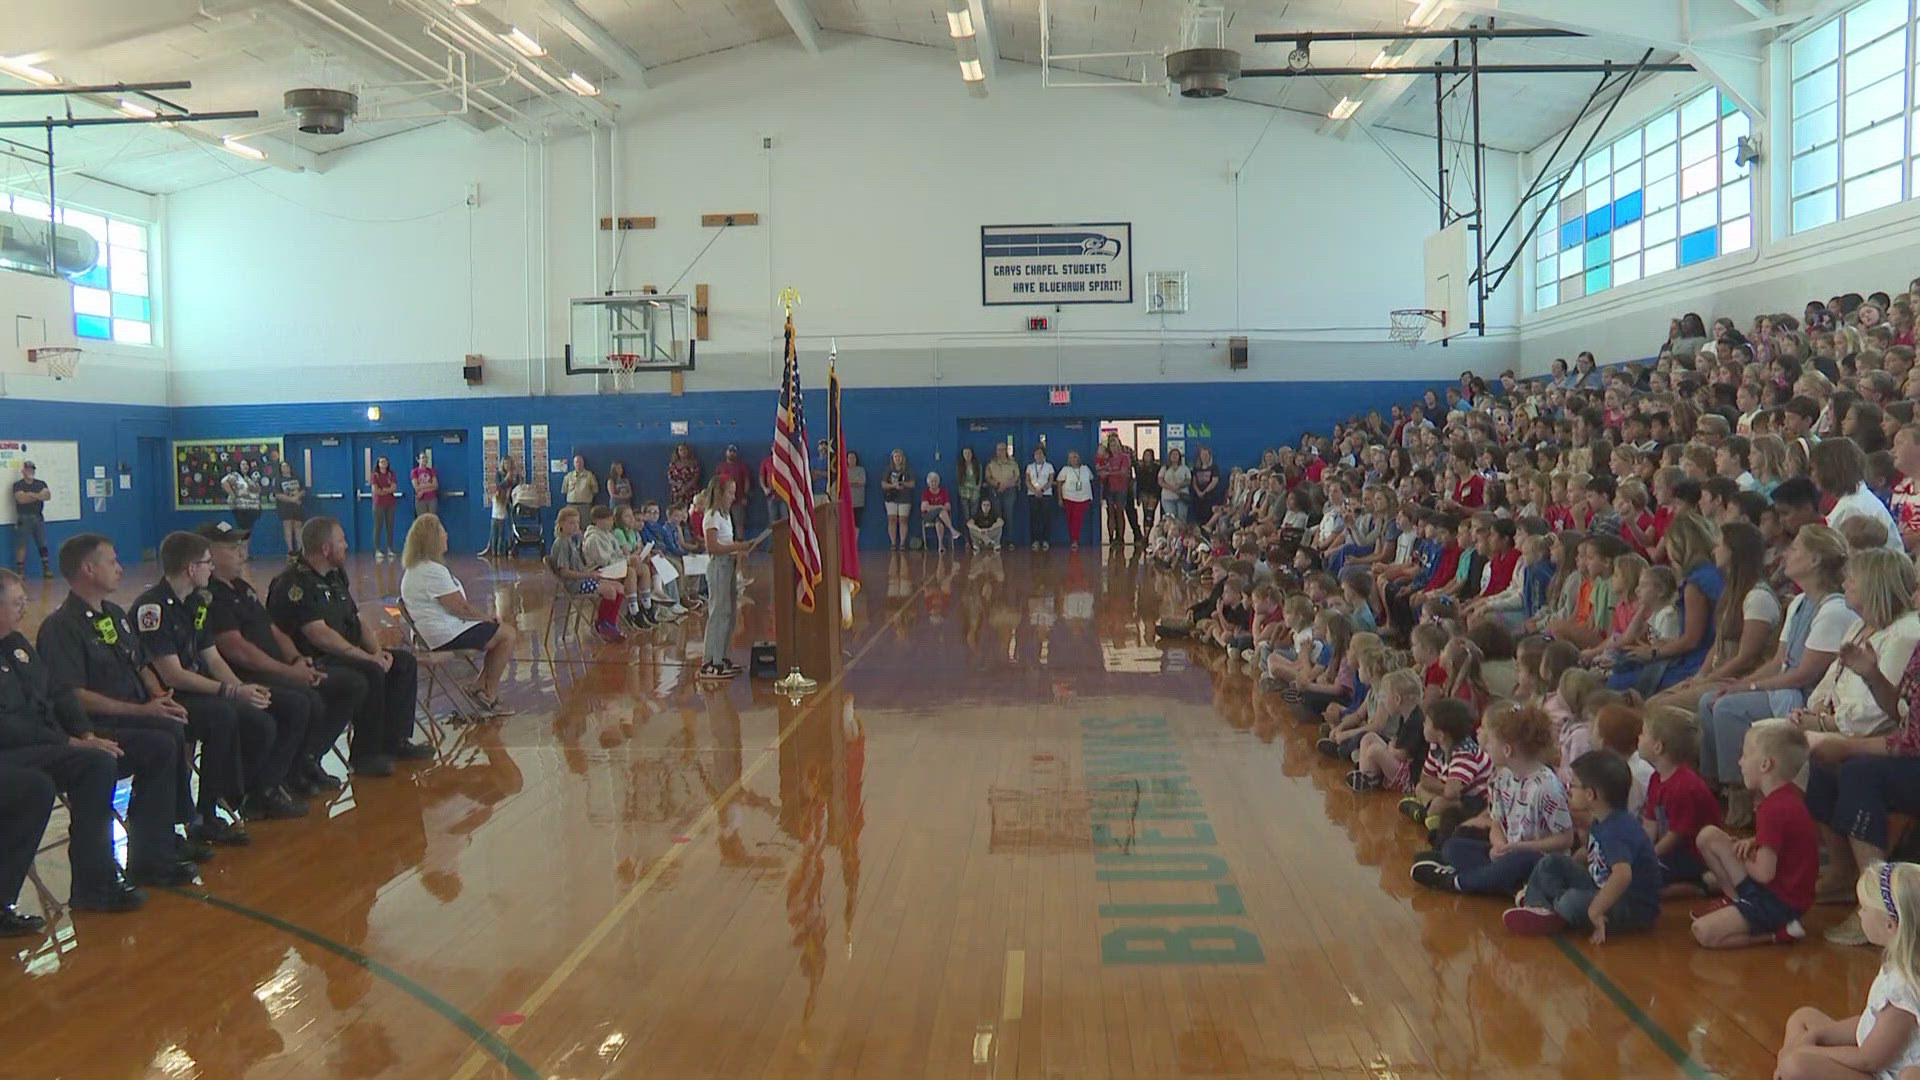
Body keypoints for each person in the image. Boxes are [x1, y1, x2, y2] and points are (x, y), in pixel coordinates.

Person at [37, 533, 247, 847]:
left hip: (136, 711)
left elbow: (141, 664)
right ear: (88, 570)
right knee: (164, 738)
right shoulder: (61, 627)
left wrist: (159, 697)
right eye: (111, 562)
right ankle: (160, 837)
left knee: (180, 723)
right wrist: (143, 710)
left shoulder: (115, 615)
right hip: (100, 725)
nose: (120, 569)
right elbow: (73, 695)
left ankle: (179, 825)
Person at [0, 568, 188, 911]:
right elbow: (8, 727)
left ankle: (126, 869)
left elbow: (58, 695)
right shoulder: (59, 627)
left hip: (43, 744)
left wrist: (84, 733)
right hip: (13, 752)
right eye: (17, 602)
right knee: (58, 778)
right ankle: (29, 896)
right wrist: (70, 743)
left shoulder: (15, 644)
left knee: (133, 751)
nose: (24, 608)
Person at [136, 531, 305, 822]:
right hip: (171, 697)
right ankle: (205, 812)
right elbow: (173, 675)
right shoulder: (153, 608)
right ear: (191, 569)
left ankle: (247, 791)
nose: (211, 568)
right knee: (223, 717)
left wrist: (243, 689)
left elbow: (211, 656)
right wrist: (229, 692)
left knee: (261, 717)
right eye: (206, 563)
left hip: (200, 689)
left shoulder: (195, 603)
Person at [200, 520, 358, 794]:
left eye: (240, 547)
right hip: (246, 676)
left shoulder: (240, 587)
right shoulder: (210, 596)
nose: (241, 553)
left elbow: (272, 628)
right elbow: (237, 650)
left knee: (348, 684)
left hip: (276, 668)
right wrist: (288, 673)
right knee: (303, 701)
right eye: (231, 548)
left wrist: (296, 659)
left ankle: (304, 764)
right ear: (208, 555)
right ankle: (268, 786)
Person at [268, 516, 429, 777]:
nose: (346, 545)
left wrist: (377, 652)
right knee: (369, 672)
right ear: (325, 549)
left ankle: (395, 741)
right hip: (318, 659)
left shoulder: (335, 575)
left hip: (345, 652)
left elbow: (355, 619)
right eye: (341, 541)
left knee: (402, 663)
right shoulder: (295, 583)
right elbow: (319, 635)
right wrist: (367, 659)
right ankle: (366, 754)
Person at [1774, 861, 1920, 1078]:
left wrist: (1812, 1051)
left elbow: (1869, 1059)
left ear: (1890, 925)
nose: (1860, 915)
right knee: (1802, 1017)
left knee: (1796, 1065)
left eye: (1864, 908)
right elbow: (1869, 1022)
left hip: (1881, 1073)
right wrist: (1820, 1035)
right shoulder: (1896, 965)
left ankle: (1785, 1070)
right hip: (1873, 1058)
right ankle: (1784, 1070)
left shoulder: (1904, 990)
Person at [1503, 750, 1663, 942]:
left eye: (1574, 786)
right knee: (1551, 862)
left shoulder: (1617, 829)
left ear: (1590, 794)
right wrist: (1567, 868)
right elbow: (1592, 855)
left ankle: (1554, 909)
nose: (1569, 790)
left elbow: (1622, 875)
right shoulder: (1602, 819)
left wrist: (1596, 910)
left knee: (1571, 901)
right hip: (1602, 887)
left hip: (1631, 906)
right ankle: (1540, 907)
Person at [1688, 719, 1818, 947]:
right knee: (1708, 836)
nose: (1740, 762)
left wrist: (1743, 855)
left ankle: (1779, 933)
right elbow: (1783, 842)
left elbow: (1764, 873)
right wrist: (1752, 842)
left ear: (1765, 765)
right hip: (1778, 891)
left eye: (1745, 755)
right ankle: (1736, 901)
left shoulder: (1774, 808)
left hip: (1779, 902)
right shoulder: (1784, 797)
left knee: (1703, 932)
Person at [400, 514, 517, 714]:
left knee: (498, 633)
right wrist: (486, 618)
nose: (446, 535)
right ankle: (490, 695)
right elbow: (460, 608)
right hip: (443, 634)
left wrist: (486, 622)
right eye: (442, 532)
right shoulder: (430, 571)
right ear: (433, 539)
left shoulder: (416, 569)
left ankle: (480, 686)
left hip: (439, 630)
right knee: (507, 635)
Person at [699, 474, 762, 680]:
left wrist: (743, 550)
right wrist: (739, 546)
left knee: (729, 614)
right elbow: (713, 546)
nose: (733, 497)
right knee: (718, 613)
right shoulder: (712, 516)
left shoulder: (726, 516)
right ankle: (710, 661)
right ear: (719, 492)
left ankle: (722, 657)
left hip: (730, 565)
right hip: (719, 567)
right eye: (730, 492)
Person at [1096, 434, 1139, 546]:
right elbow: (1100, 472)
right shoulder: (1107, 459)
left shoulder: (1125, 457)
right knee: (1110, 513)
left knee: (1120, 512)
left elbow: (1124, 472)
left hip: (1122, 488)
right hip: (1109, 488)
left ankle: (1120, 538)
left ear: (1119, 444)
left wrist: (1108, 472)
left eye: (1115, 444)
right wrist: (1104, 472)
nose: (1113, 447)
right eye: (1111, 445)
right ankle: (1111, 538)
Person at [11, 461, 50, 578]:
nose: (30, 471)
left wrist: (29, 495)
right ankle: (21, 571)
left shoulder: (41, 483)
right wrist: (38, 496)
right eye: (28, 469)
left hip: (38, 516)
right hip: (24, 517)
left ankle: (46, 568)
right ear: (23, 471)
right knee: (22, 544)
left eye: (32, 469)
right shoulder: (18, 485)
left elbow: (47, 496)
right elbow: (20, 499)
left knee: (42, 543)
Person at [1055, 449, 1096, 550]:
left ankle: (1075, 540)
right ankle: (1072, 538)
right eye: (1072, 457)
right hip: (1069, 498)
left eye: (1076, 457)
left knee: (1077, 519)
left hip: (1083, 498)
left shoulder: (1085, 468)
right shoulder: (1065, 469)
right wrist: (1060, 498)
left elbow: (1091, 480)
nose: (1074, 459)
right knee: (1070, 519)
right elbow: (1059, 483)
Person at [483, 455, 519, 558]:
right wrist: (506, 478)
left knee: (510, 525)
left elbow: (516, 486)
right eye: (505, 464)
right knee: (497, 526)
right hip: (501, 500)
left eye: (509, 463)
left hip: (511, 500)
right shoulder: (499, 474)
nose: (507, 466)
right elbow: (499, 485)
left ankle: (510, 548)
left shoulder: (515, 475)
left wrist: (512, 480)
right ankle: (496, 550)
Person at [984, 443, 1020, 536]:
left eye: (1002, 449)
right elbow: (988, 477)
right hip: (995, 490)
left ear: (1006, 451)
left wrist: (1006, 485)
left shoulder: (1012, 463)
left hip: (1009, 490)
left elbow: (1016, 476)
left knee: (1008, 515)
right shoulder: (991, 463)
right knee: (997, 515)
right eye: (998, 450)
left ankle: (1009, 540)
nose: (1000, 452)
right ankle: (998, 540)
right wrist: (998, 484)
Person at [1025, 445, 1056, 551]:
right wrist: (1035, 491)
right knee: (1034, 519)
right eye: (1037, 453)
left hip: (1046, 494)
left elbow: (1051, 480)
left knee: (1046, 518)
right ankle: (1035, 541)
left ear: (1044, 455)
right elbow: (1027, 481)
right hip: (1032, 495)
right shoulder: (1030, 467)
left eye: (1041, 453)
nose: (1039, 455)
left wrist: (1042, 490)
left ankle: (1046, 540)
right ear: (1034, 455)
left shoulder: (1049, 466)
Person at [883, 449, 914, 552]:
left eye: (899, 457)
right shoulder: (888, 469)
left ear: (902, 458)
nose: (897, 459)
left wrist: (903, 484)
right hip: (891, 498)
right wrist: (893, 486)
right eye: (895, 457)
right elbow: (883, 484)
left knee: (903, 520)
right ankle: (893, 542)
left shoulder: (907, 470)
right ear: (892, 458)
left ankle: (902, 543)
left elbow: (912, 484)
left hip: (905, 498)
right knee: (891, 519)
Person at [369, 456, 400, 560]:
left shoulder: (391, 474)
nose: (383, 463)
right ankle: (377, 549)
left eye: (385, 461)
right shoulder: (375, 475)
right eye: (381, 461)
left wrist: (383, 490)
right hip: (378, 504)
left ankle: (390, 549)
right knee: (378, 526)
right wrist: (386, 490)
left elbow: (394, 488)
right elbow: (375, 490)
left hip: (390, 503)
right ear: (378, 463)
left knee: (390, 527)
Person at [274, 460, 307, 556]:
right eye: (283, 467)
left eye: (287, 466)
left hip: (297, 507)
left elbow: (303, 490)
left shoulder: (296, 478)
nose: (285, 468)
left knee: (298, 527)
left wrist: (296, 498)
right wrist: (291, 499)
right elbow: (278, 494)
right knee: (288, 527)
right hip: (285, 507)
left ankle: (300, 549)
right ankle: (290, 550)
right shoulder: (279, 480)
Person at [716, 446, 750, 533]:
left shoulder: (742, 466)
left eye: (733, 451)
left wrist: (745, 496)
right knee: (723, 521)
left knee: (739, 522)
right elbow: (716, 482)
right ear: (726, 453)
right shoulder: (720, 467)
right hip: (723, 500)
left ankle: (739, 541)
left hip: (738, 499)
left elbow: (746, 481)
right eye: (730, 451)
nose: (731, 453)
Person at [223, 460, 262, 534]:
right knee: (241, 532)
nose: (245, 466)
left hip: (251, 509)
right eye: (243, 464)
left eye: (247, 464)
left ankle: (245, 545)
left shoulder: (251, 478)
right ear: (239, 466)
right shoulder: (235, 476)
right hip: (240, 509)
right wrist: (232, 494)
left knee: (248, 532)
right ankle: (240, 545)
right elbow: (224, 482)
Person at [920, 471, 955, 553]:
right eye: (932, 481)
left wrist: (934, 508)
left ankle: (940, 545)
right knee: (941, 510)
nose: (934, 483)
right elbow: (924, 508)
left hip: (941, 517)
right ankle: (952, 529)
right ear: (928, 483)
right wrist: (939, 507)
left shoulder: (943, 491)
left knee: (939, 520)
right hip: (928, 516)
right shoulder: (926, 492)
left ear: (938, 482)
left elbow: (948, 506)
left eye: (935, 481)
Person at [1158, 447, 1191, 525]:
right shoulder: (1164, 468)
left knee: (1182, 518)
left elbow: (1188, 480)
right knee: (1171, 519)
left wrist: (1179, 486)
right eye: (1173, 455)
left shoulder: (1185, 468)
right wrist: (1171, 488)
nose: (1174, 456)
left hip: (1181, 496)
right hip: (1168, 497)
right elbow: (1160, 481)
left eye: (1176, 454)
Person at [667, 444, 701, 512]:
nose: (683, 452)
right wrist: (679, 485)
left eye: (685, 450)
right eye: (680, 450)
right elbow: (670, 478)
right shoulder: (673, 464)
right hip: (677, 491)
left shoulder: (693, 463)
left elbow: (696, 476)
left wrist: (687, 486)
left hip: (690, 490)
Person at [563, 454, 598, 520]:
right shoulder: (568, 476)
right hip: (571, 505)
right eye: (576, 462)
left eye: (580, 462)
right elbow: (564, 490)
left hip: (585, 506)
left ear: (583, 463)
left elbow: (595, 490)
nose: (578, 464)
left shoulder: (589, 475)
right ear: (573, 464)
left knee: (585, 525)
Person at [1134, 447, 1161, 534]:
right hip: (1144, 493)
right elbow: (1139, 483)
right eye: (1145, 455)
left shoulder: (1157, 468)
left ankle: (1147, 533)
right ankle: (1145, 534)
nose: (1147, 457)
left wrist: (1158, 495)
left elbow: (1158, 483)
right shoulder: (1140, 469)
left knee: (1150, 514)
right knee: (1145, 514)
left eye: (1149, 455)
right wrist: (1138, 496)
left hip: (1153, 494)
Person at [845, 449, 868, 531]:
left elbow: (862, 482)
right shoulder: (844, 471)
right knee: (846, 523)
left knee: (856, 523)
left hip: (858, 502)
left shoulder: (860, 470)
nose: (851, 460)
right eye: (850, 458)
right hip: (846, 501)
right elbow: (844, 484)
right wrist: (855, 481)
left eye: (853, 458)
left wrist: (850, 482)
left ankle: (855, 543)